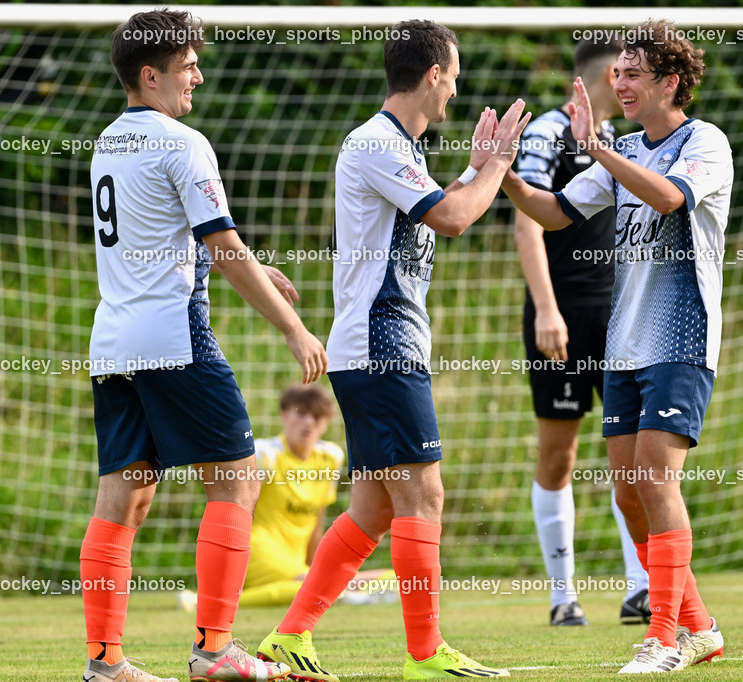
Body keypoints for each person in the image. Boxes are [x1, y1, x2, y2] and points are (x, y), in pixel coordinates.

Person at [255, 19, 530, 681]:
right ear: (433, 75)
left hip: (379, 348)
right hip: (381, 348)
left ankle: (289, 637)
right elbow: (456, 219)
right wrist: (495, 165)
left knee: (375, 507)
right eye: (454, 80)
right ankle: (425, 654)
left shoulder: (398, 150)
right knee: (424, 496)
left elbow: (445, 203)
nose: (456, 95)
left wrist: (474, 166)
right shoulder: (376, 143)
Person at [81, 9, 326, 682]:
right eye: (188, 64)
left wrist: (243, 265)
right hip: (173, 335)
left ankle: (106, 664)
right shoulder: (182, 142)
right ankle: (215, 651)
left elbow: (167, 238)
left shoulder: (110, 140)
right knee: (240, 477)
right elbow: (222, 246)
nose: (199, 74)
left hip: (113, 341)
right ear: (151, 74)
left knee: (124, 495)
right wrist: (292, 326)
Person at [501, 19, 731, 674]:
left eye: (634, 73)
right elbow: (554, 213)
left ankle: (664, 639)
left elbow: (665, 198)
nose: (620, 82)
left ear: (671, 81)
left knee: (655, 478)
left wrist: (598, 149)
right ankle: (701, 626)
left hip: (680, 336)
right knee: (629, 490)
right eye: (619, 72)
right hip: (624, 345)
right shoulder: (623, 145)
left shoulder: (703, 142)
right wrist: (503, 175)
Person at [514, 35, 651, 628]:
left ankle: (641, 588)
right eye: (622, 74)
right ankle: (563, 595)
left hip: (618, 314)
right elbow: (527, 221)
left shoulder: (627, 139)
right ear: (602, 77)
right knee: (560, 453)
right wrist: (547, 309)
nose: (629, 84)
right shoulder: (549, 131)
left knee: (637, 454)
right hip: (562, 315)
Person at [238, 384, 394, 607]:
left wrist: (316, 565)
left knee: (398, 579)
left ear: (326, 422)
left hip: (297, 561)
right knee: (321, 586)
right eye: (300, 413)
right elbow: (236, 508)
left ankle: (343, 595)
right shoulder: (265, 455)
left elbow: (317, 518)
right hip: (259, 552)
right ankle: (203, 602)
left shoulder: (330, 457)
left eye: (317, 416)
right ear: (283, 414)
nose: (308, 422)